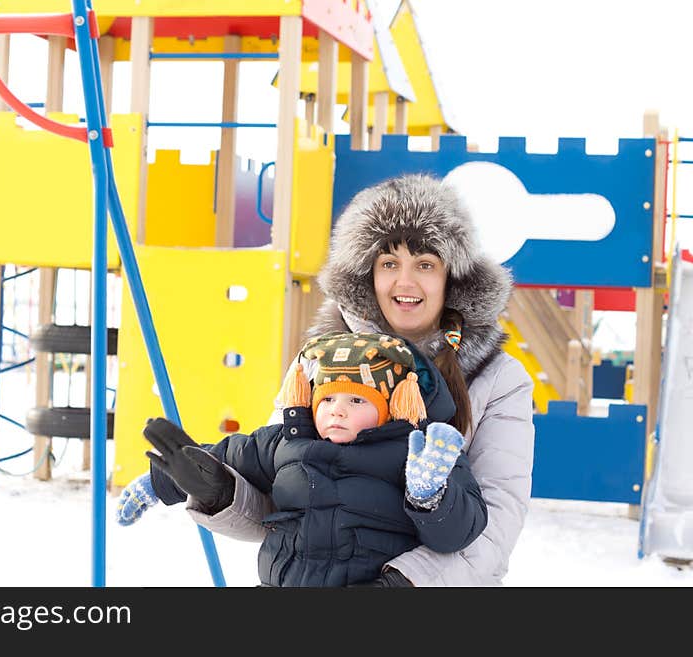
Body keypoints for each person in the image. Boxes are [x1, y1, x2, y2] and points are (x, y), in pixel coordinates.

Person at [122, 172, 535, 586]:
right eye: (389, 264)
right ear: (367, 276)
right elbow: (279, 491)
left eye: (425, 264)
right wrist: (218, 490)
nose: (405, 282)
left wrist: (399, 585)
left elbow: (494, 524)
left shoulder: (498, 380)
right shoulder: (321, 363)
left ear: (453, 279)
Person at [118, 330, 487, 587]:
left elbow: (457, 534)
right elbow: (223, 456)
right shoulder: (285, 442)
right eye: (327, 400)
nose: (337, 412)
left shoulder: (417, 455)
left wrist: (429, 496)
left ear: (391, 407)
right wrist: (161, 481)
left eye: (356, 401)